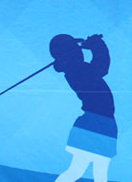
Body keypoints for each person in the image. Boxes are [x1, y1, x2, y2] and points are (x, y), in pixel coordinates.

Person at [50, 33, 117, 182]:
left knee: (90, 172)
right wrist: (96, 45)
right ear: (71, 53)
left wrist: (94, 45)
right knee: (85, 171)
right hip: (96, 123)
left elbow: (100, 67)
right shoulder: (77, 71)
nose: (80, 51)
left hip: (100, 123)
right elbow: (102, 67)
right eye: (76, 48)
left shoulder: (74, 70)